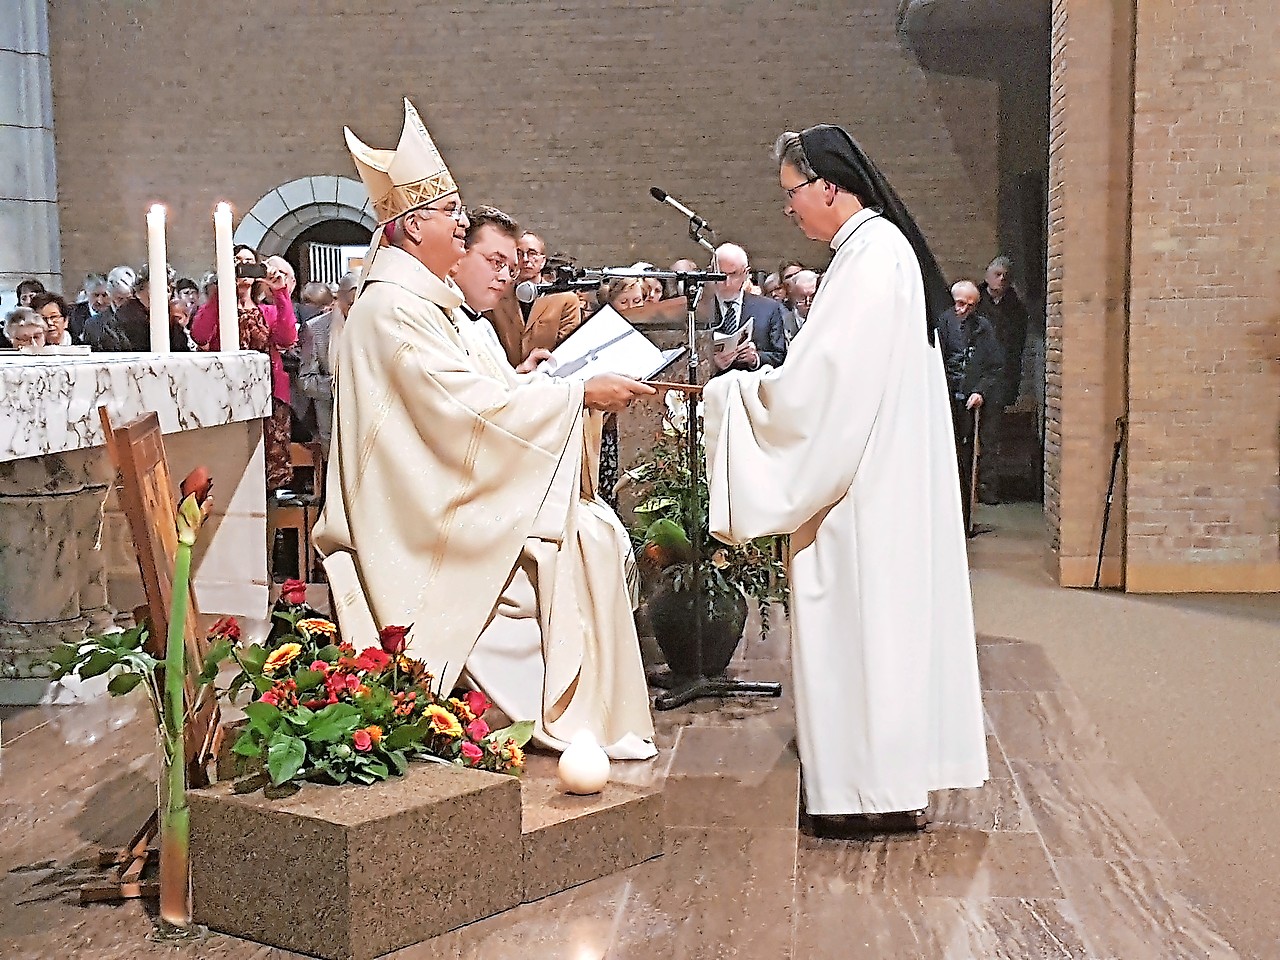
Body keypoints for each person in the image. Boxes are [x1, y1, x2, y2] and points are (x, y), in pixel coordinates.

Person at [314, 99, 657, 759]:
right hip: (417, 529)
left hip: (444, 502)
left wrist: (554, 390)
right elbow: (465, 416)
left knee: (585, 529)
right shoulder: (392, 311)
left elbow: (481, 401)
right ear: (414, 227)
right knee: (575, 538)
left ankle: (591, 714)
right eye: (451, 215)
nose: (461, 224)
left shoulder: (424, 306)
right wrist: (578, 392)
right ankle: (567, 712)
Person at [701, 124, 987, 833]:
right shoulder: (876, 252)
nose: (791, 210)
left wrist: (732, 397)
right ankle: (874, 784)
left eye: (792, 193)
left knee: (867, 630)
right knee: (879, 636)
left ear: (830, 184)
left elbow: (819, 393)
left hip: (862, 491)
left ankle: (867, 796)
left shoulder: (870, 258)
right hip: (877, 477)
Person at [191, 255, 298, 489]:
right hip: (225, 396)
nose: (244, 267)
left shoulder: (267, 312)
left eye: (249, 262)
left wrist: (281, 292)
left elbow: (287, 338)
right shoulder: (216, 309)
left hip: (269, 398)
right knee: (229, 467)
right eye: (237, 261)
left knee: (268, 470)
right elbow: (200, 335)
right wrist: (222, 291)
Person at [938, 280, 1004, 533]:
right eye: (960, 303)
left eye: (970, 305)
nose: (963, 309)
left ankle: (963, 521)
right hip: (942, 400)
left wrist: (979, 391)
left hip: (967, 402)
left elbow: (994, 365)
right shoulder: (940, 324)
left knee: (965, 462)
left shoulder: (982, 327)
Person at [484, 230, 582, 367]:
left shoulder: (565, 299)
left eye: (532, 253)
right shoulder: (497, 295)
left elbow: (567, 346)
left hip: (548, 377)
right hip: (505, 377)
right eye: (519, 253)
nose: (525, 259)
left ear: (543, 260)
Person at [709, 242, 788, 374]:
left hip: (752, 386)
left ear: (746, 273)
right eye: (721, 275)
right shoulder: (698, 309)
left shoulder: (768, 308)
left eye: (733, 274)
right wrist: (711, 362)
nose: (727, 283)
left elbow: (780, 356)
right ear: (711, 272)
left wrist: (755, 358)